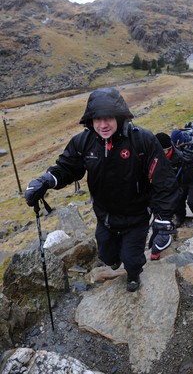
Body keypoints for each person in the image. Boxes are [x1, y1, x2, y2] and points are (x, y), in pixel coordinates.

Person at [25, 87, 179, 292]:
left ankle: (133, 276)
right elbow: (67, 168)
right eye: (97, 119)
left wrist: (164, 220)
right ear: (90, 120)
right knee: (107, 256)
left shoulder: (142, 140)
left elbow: (164, 180)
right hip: (105, 217)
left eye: (108, 118)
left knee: (131, 258)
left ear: (119, 117)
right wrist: (46, 181)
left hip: (137, 217)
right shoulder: (83, 142)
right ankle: (115, 263)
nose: (103, 125)